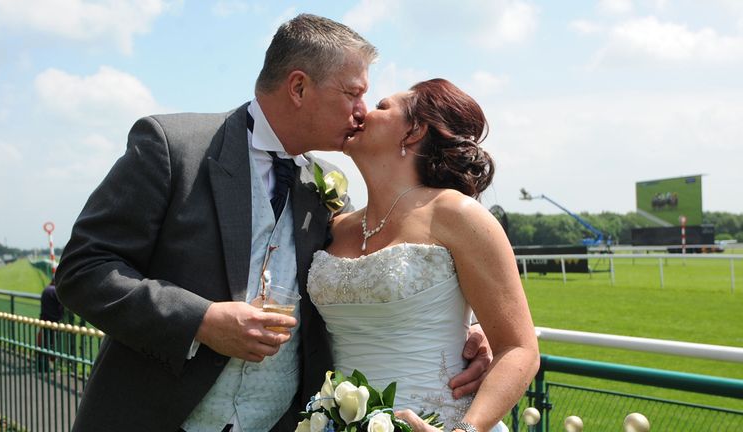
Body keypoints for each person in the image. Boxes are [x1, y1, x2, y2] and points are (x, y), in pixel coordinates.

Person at [55, 14, 491, 432]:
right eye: (353, 93)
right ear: (298, 87)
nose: (362, 111)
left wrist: (462, 333)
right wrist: (201, 320)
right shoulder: (172, 147)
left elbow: (368, 273)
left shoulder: (326, 188)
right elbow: (83, 269)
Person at [307, 78, 539, 431]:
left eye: (382, 106)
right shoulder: (335, 225)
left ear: (414, 130)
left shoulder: (458, 215)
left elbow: (520, 349)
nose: (363, 111)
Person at [36, 277, 64, 372]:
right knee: (51, 344)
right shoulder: (55, 291)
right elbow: (62, 305)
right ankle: (49, 365)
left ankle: (41, 364)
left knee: (43, 343)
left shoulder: (46, 290)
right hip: (53, 322)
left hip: (44, 320)